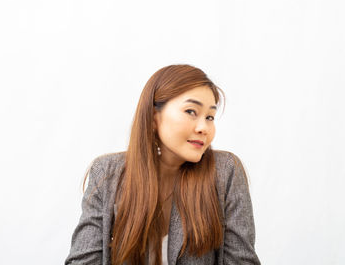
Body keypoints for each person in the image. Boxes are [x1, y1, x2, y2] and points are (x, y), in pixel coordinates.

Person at [65, 64, 261, 265]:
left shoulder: (225, 171)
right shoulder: (107, 173)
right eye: (191, 111)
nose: (204, 127)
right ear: (153, 117)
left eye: (209, 117)